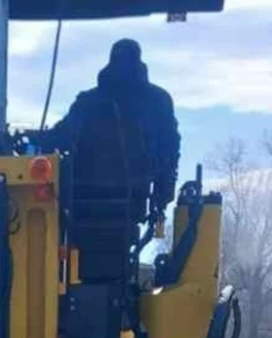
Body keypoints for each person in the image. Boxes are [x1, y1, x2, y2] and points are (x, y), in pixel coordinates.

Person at [36, 39, 181, 219]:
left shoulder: (87, 102)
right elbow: (170, 146)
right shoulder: (158, 99)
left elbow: (62, 136)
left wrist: (36, 141)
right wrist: (166, 186)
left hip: (83, 194)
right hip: (135, 194)